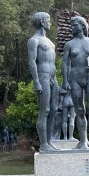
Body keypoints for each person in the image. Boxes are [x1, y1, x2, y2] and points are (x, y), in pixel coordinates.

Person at [62, 16, 89, 150]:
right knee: (79, 110)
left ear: (82, 26)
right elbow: (65, 64)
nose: (71, 28)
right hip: (75, 78)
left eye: (74, 25)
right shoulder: (69, 44)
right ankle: (83, 141)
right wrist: (64, 82)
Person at [27, 12, 59, 151]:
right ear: (41, 21)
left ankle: (49, 141)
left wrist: (56, 80)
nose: (50, 22)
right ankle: (44, 143)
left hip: (53, 77)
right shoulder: (34, 40)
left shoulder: (50, 42)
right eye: (48, 20)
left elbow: (53, 63)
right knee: (44, 110)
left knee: (53, 111)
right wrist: (36, 81)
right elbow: (32, 62)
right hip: (43, 76)